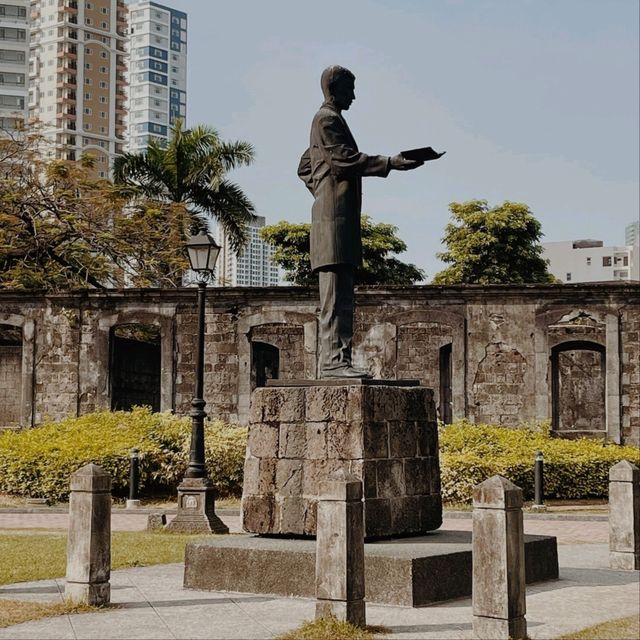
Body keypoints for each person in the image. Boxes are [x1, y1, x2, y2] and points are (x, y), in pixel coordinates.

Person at [298, 65, 423, 378]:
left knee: (341, 297)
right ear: (335, 89)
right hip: (333, 223)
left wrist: (322, 188)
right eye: (350, 89)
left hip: (335, 220)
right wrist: (390, 162)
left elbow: (304, 167)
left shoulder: (328, 122)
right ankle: (334, 363)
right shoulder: (326, 119)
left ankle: (338, 360)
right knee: (335, 298)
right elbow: (343, 159)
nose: (353, 95)